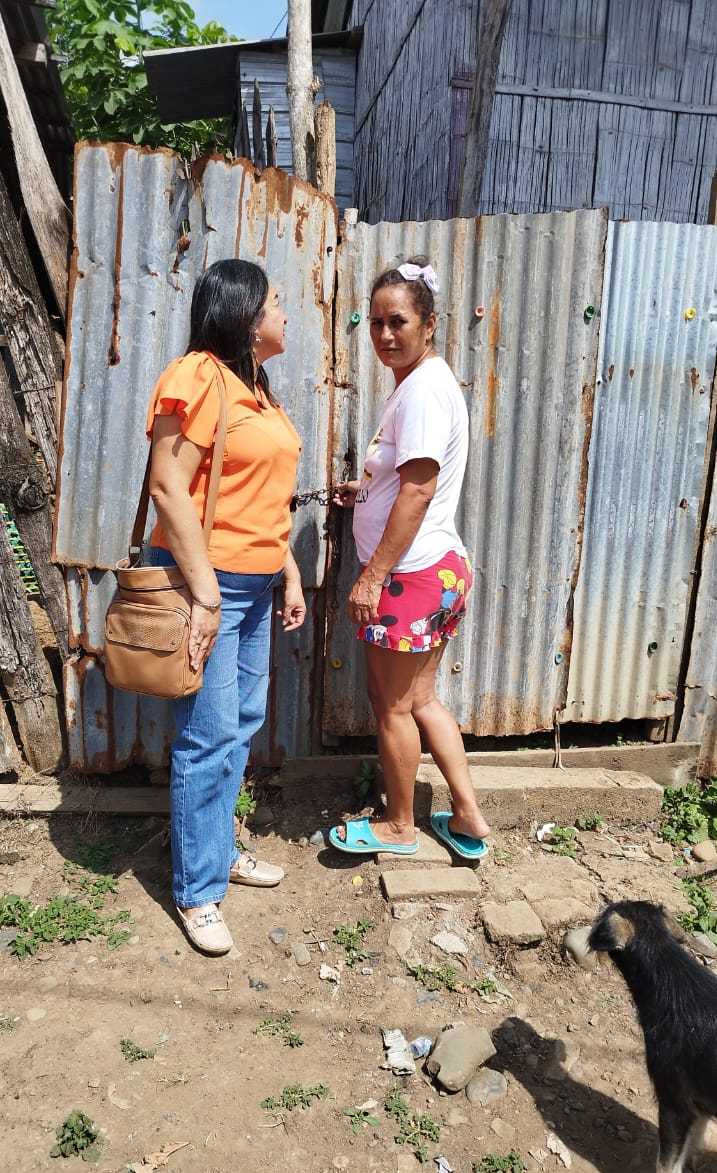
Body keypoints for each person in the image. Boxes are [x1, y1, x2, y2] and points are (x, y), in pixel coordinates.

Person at [147, 259, 306, 956]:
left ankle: (217, 850)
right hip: (206, 587)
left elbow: (260, 500)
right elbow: (168, 487)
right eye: (276, 303)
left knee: (239, 726)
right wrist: (206, 594)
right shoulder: (198, 376)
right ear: (244, 314)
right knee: (207, 737)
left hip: (256, 587)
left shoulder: (257, 389)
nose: (286, 314)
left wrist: (288, 574)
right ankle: (197, 890)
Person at [329, 257, 490, 860]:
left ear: (429, 324)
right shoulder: (426, 382)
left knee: (392, 705)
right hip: (438, 568)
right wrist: (366, 492)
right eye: (375, 322)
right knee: (420, 700)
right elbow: (409, 480)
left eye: (397, 321)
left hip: (408, 576)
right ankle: (467, 814)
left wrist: (373, 576)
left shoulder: (421, 392)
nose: (384, 334)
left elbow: (419, 490)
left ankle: (399, 825)